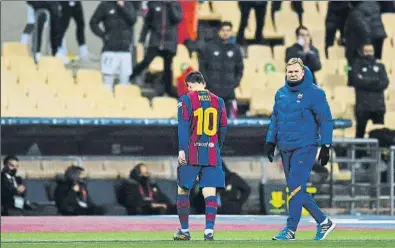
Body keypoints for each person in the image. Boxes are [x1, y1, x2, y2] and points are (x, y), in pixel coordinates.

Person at [265, 58, 336, 241]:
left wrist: (326, 145)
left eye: (296, 71)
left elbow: (326, 120)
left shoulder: (315, 93)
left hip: (305, 146)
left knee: (295, 188)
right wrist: (270, 141)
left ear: (303, 72)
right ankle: (323, 221)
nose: (293, 74)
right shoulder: (280, 93)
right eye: (290, 72)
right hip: (285, 147)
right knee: (296, 189)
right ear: (286, 73)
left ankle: (290, 230)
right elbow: (275, 118)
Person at [174, 71, 228, 241]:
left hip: (191, 151)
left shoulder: (185, 100)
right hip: (212, 152)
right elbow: (224, 128)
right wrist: (217, 146)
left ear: (190, 86)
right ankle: (209, 232)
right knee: (210, 192)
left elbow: (183, 126)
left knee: (183, 189)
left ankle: (184, 231)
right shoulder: (219, 101)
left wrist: (182, 149)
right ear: (204, 83)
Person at [131, 1, 183, 97]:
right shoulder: (154, 4)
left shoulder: (176, 5)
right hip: (156, 41)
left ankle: (168, 89)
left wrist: (170, 6)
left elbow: (177, 19)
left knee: (168, 67)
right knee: (146, 61)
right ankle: (131, 77)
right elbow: (147, 23)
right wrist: (142, 38)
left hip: (169, 43)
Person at [198, 21, 244, 119]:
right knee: (211, 123)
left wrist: (234, 83)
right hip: (212, 92)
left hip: (229, 93)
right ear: (218, 32)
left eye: (228, 30)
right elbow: (202, 67)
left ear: (231, 32)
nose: (225, 33)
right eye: (223, 30)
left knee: (229, 124)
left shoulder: (236, 49)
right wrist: (208, 83)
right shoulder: (208, 47)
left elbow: (240, 69)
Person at [90, 1, 137, 91]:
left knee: (124, 84)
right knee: (107, 84)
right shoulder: (104, 5)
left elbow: (133, 20)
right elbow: (93, 22)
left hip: (125, 50)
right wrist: (103, 35)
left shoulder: (128, 4)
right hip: (109, 50)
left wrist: (123, 7)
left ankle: (122, 103)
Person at [349, 43, 389, 138]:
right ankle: (359, 153)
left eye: (371, 51)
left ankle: (378, 153)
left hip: (378, 107)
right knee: (360, 134)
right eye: (366, 51)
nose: (369, 53)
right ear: (362, 52)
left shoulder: (380, 66)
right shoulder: (356, 66)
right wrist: (375, 81)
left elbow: (385, 82)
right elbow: (357, 81)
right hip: (363, 107)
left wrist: (366, 80)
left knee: (379, 134)